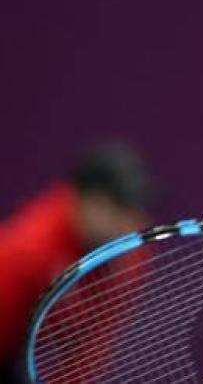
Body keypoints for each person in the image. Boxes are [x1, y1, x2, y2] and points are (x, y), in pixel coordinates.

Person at [0, 144, 155, 383]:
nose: (133, 221)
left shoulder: (130, 256)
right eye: (120, 208)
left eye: (136, 208)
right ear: (87, 202)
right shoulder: (26, 249)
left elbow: (86, 358)